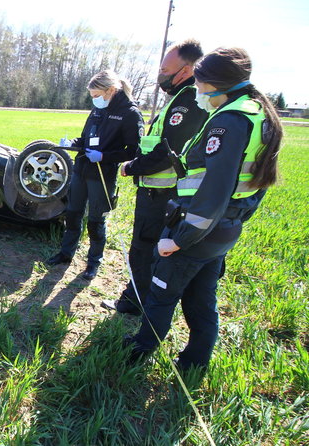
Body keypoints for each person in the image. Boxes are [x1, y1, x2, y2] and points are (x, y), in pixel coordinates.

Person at [125, 47, 283, 371]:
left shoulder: (230, 121)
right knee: (200, 299)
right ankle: (195, 362)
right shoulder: (255, 113)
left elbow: (215, 190)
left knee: (162, 290)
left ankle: (140, 350)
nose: (196, 92)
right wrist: (233, 221)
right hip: (224, 229)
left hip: (200, 229)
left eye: (199, 85)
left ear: (214, 84)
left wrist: (179, 239)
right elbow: (253, 183)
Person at [102, 39, 209, 315]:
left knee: (144, 249)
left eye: (164, 69)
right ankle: (141, 298)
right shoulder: (182, 98)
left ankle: (135, 302)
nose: (160, 75)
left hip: (162, 195)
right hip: (158, 193)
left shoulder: (187, 103)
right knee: (147, 248)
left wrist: (132, 166)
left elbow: (166, 153)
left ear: (184, 71)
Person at [46, 70, 144, 281]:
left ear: (110, 90)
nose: (94, 99)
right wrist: (71, 144)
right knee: (72, 213)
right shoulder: (98, 109)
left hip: (103, 174)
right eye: (92, 96)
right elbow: (84, 138)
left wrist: (104, 156)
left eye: (96, 94)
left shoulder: (130, 113)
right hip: (81, 169)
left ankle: (93, 263)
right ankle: (65, 254)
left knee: (96, 220)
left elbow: (134, 150)